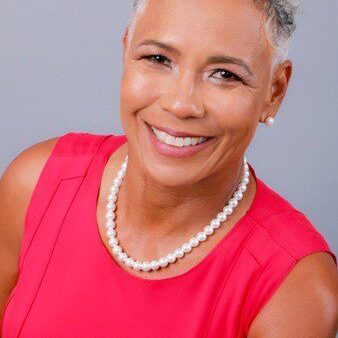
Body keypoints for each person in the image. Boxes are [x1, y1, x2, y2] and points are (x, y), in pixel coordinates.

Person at [1, 0, 337, 337]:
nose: (180, 104)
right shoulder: (37, 183)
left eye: (225, 74)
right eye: (158, 59)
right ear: (125, 51)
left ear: (274, 92)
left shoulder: (293, 286)